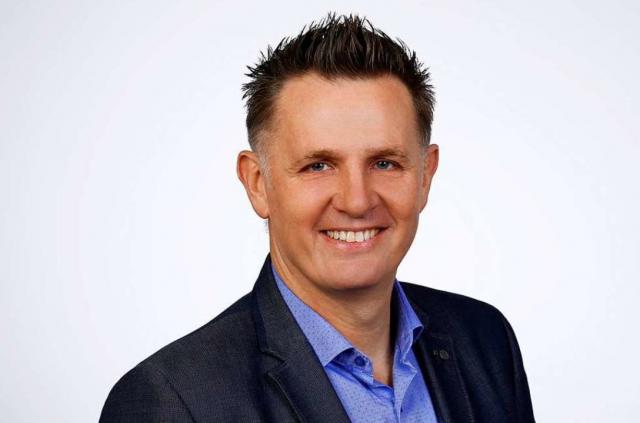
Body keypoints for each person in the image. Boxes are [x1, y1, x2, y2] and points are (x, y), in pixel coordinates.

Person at [100, 14, 535, 423]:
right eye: (318, 165)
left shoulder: (485, 339)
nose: (356, 201)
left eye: (385, 163)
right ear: (257, 183)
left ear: (425, 176)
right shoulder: (171, 400)